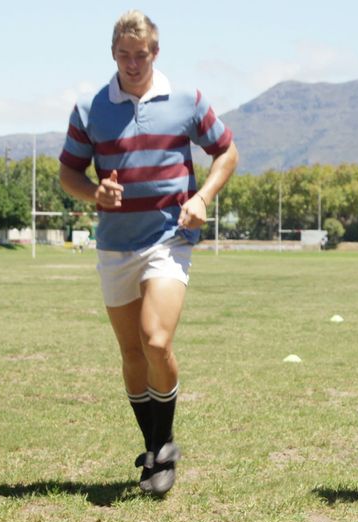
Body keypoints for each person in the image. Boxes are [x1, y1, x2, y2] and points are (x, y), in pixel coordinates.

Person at [58, 10, 238, 497]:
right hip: (115, 246)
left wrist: (202, 198)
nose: (133, 64)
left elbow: (227, 151)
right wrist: (94, 193)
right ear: (112, 54)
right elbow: (68, 174)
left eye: (141, 55)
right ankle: (155, 445)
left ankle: (162, 446)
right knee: (132, 353)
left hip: (169, 239)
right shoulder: (91, 108)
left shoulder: (186, 100)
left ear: (155, 53)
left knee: (156, 341)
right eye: (124, 55)